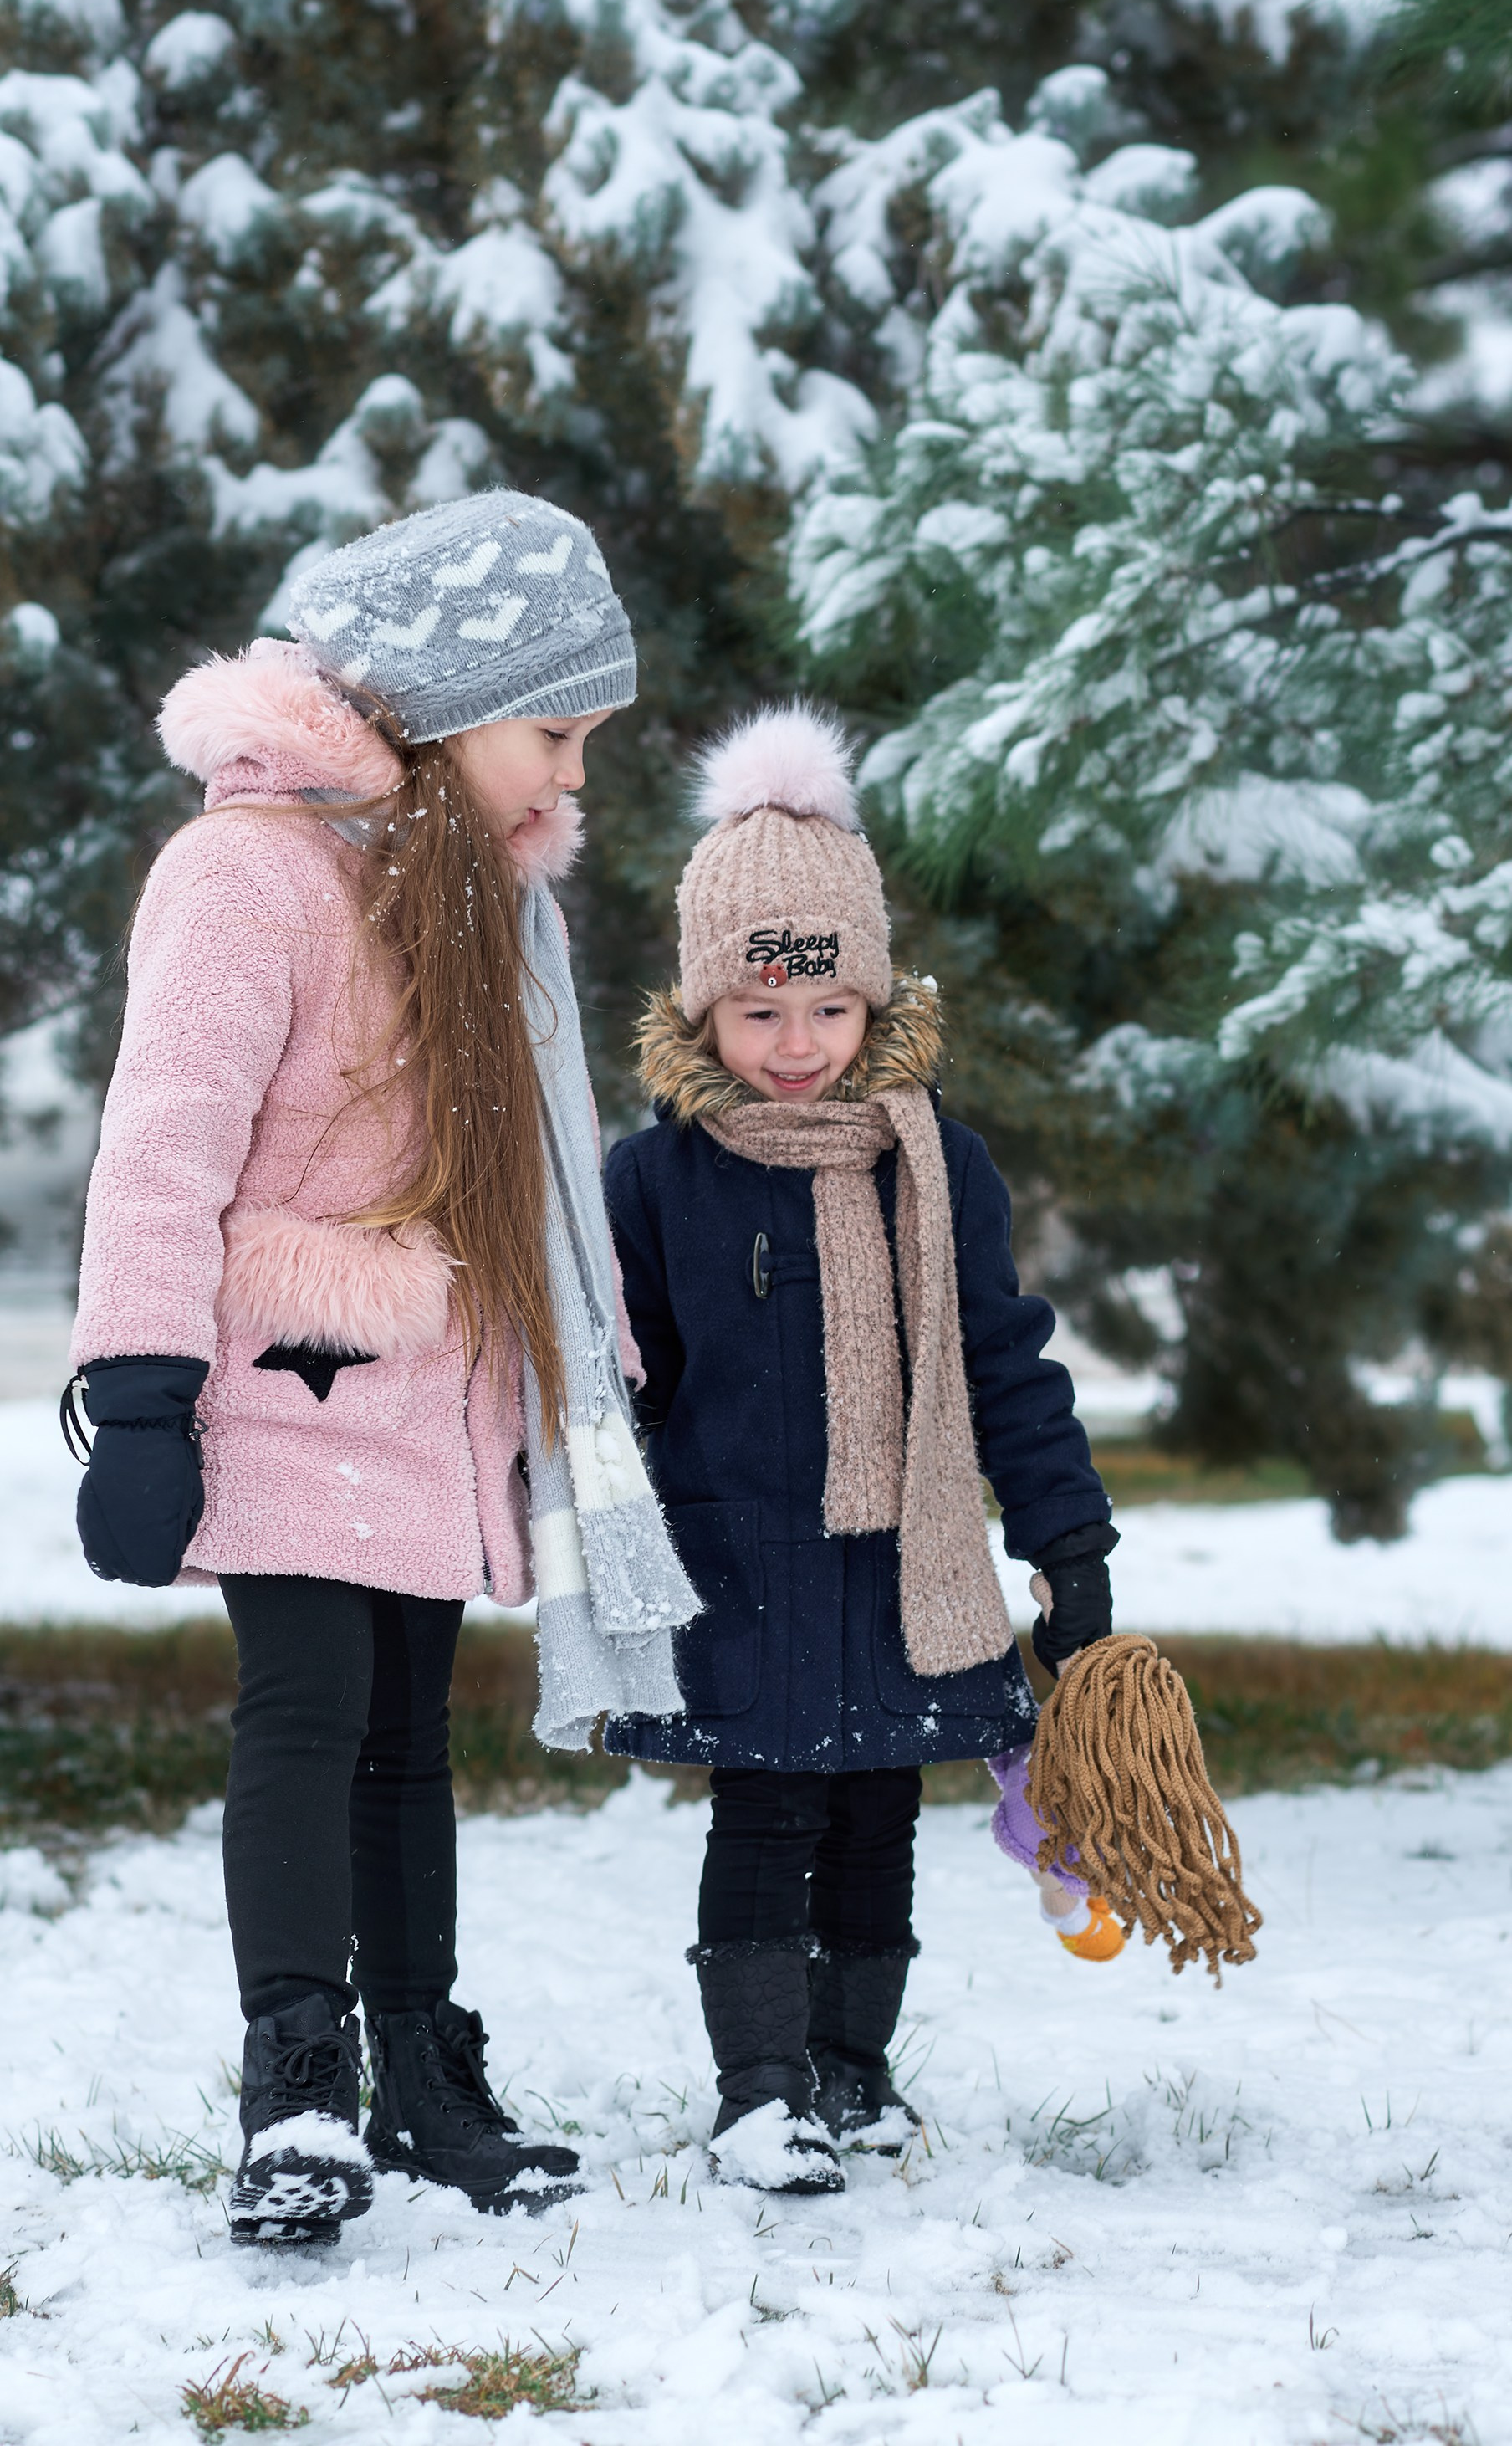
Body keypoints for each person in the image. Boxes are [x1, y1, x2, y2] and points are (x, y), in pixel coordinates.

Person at [64, 491, 697, 2246]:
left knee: (409, 1740)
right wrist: (133, 1393)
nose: (573, 782)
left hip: (444, 1397)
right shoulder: (243, 872)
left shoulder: (484, 910)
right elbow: (161, 1146)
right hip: (286, 1376)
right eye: (553, 734)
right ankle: (294, 2090)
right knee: (309, 1712)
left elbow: (538, 1174)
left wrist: (597, 1374)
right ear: (440, 702)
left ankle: (419, 2069)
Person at [603, 703, 1124, 2196]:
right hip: (738, 1558)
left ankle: (854, 2070)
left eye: (827, 1012)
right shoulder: (655, 1179)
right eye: (759, 1015)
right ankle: (760, 2089)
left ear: (873, 1005)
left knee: (880, 1811)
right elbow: (621, 1381)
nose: (795, 1046)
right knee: (767, 1814)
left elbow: (999, 1353)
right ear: (704, 1014)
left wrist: (1066, 1541)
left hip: (909, 1555)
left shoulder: (935, 1164)